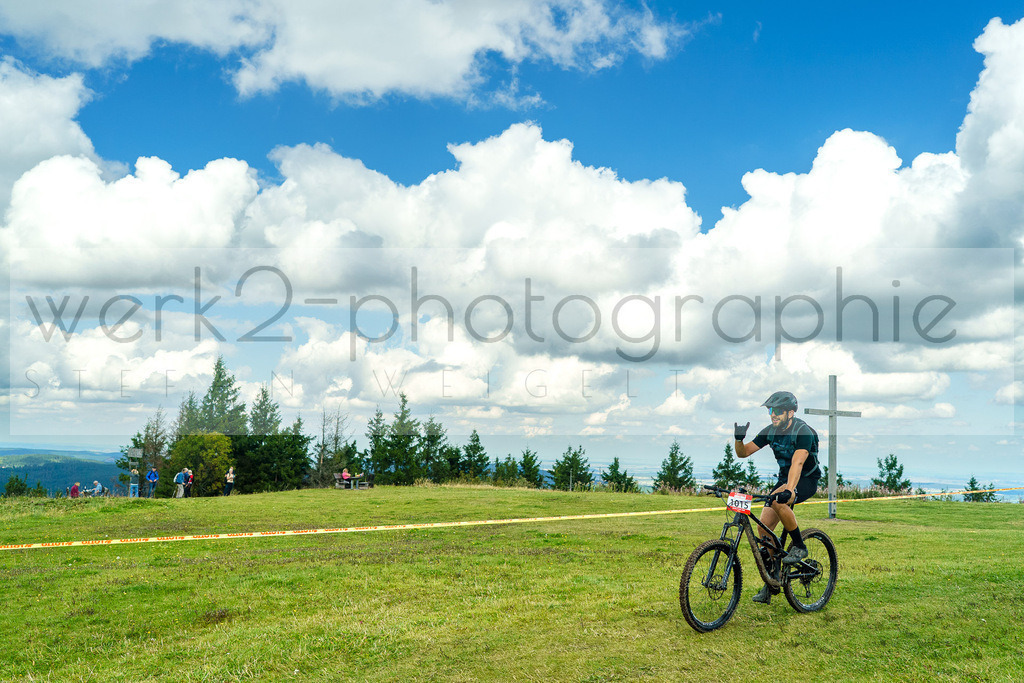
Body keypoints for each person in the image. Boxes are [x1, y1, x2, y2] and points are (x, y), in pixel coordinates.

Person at [734, 390, 821, 605]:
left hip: (804, 479)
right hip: (784, 479)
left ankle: (800, 546)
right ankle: (772, 579)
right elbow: (743, 453)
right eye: (771, 411)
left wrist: (790, 490)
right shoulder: (770, 431)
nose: (773, 415)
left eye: (778, 411)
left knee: (779, 500)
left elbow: (798, 463)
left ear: (790, 413)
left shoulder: (802, 432)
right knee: (763, 528)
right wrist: (738, 439)